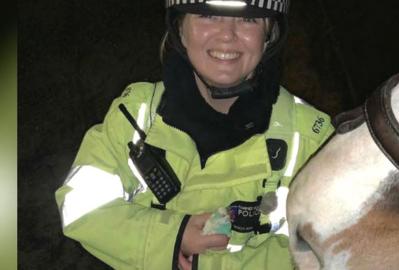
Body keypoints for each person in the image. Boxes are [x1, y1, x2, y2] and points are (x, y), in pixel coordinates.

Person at [55, 0, 334, 269]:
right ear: (180, 29)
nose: (227, 34)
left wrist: (209, 265)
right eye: (208, 15)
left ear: (269, 34)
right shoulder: (135, 117)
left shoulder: (312, 140)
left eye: (248, 19)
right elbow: (80, 205)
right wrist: (173, 237)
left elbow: (331, 247)